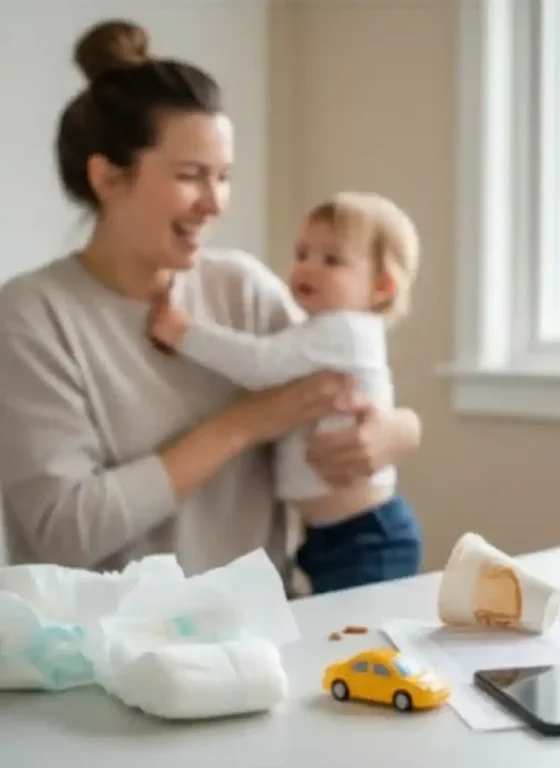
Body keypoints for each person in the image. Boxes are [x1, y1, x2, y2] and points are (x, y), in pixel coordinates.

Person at [0, 19, 422, 580]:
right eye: (192, 176)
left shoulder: (243, 288)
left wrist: (400, 430)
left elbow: (343, 377)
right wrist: (240, 426)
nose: (215, 202)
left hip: (262, 632)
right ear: (106, 178)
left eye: (224, 177)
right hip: (109, 649)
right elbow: (66, 530)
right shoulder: (32, 317)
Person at [148, 191, 422, 594]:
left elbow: (259, 365)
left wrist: (184, 333)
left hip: (363, 536)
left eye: (332, 260)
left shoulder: (343, 330)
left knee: (360, 646)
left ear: (381, 287)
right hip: (332, 536)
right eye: (303, 253)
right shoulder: (320, 332)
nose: (307, 267)